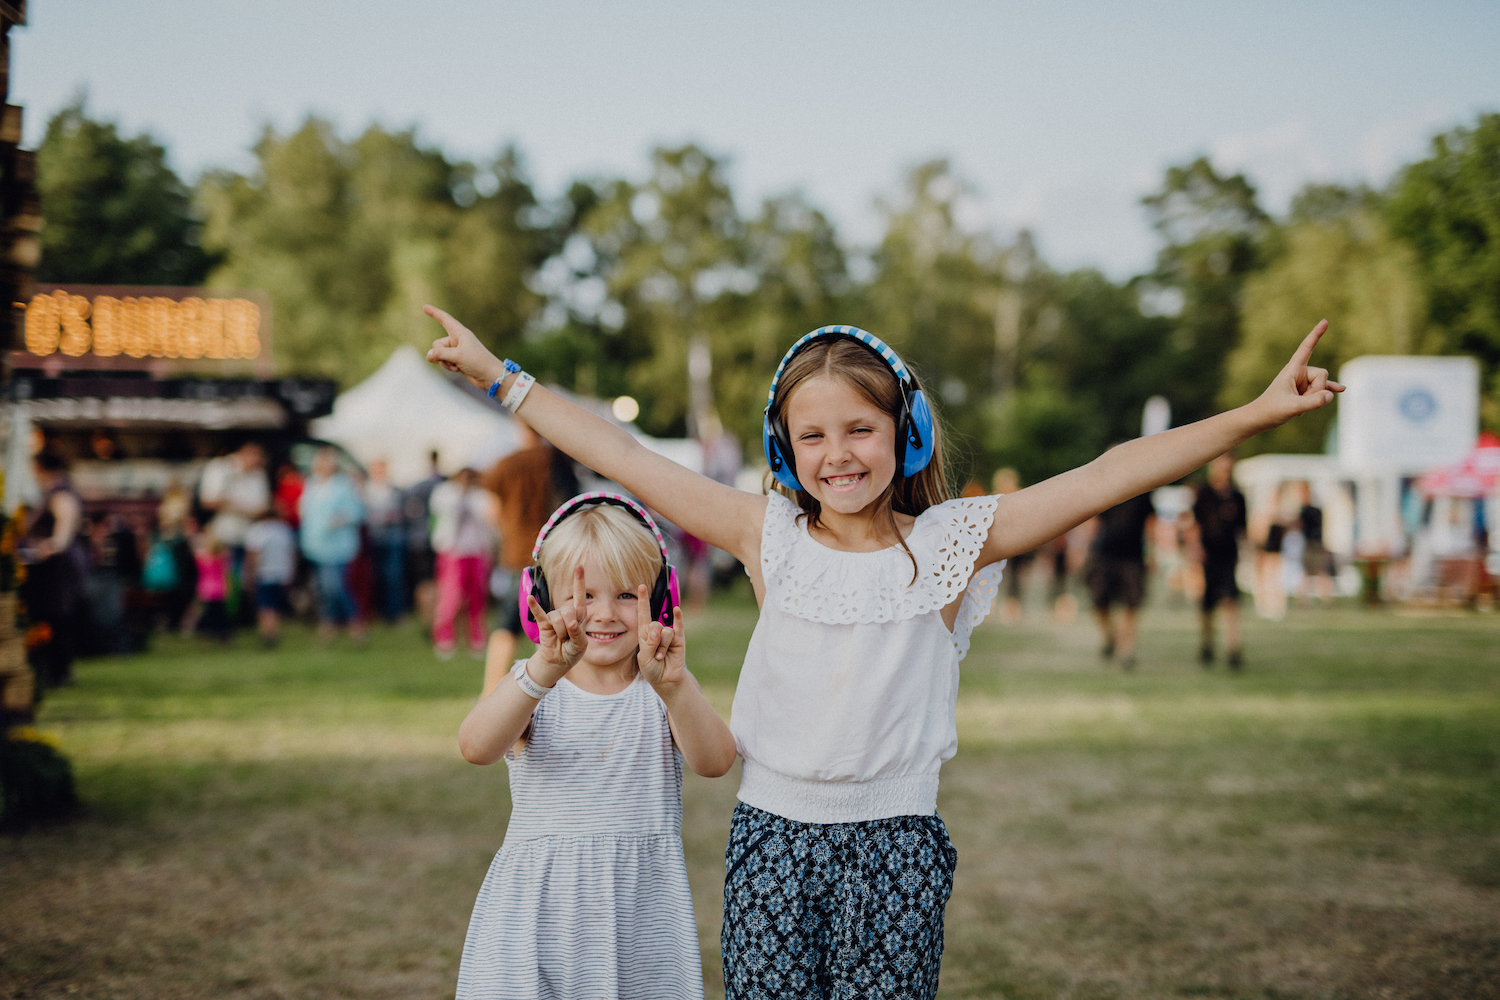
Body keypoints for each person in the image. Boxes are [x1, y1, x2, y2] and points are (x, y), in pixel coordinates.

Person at [427, 306, 1340, 997]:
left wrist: (1249, 419)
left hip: (897, 845)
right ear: (786, 449)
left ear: (904, 436)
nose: (838, 454)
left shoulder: (952, 542)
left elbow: (1109, 472)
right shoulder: (766, 535)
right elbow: (622, 456)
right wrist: (503, 381)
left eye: (859, 429)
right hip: (772, 841)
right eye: (813, 435)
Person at [454, 494, 736, 998]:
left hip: (640, 914)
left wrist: (676, 687)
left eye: (628, 595)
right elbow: (475, 746)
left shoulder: (663, 690)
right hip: (539, 913)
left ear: (662, 601)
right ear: (536, 599)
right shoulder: (536, 685)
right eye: (582, 596)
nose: (604, 614)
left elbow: (716, 762)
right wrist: (543, 670)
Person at [479, 425, 567, 692]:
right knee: (550, 628)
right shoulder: (554, 459)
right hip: (552, 554)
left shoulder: (504, 465)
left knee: (506, 625)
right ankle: (549, 690)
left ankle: (490, 690)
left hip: (516, 553)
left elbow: (490, 512)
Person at [21, 454, 87, 686]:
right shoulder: (59, 488)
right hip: (59, 563)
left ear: (40, 467)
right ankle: (58, 670)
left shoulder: (59, 490)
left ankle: (59, 672)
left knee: (56, 616)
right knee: (57, 617)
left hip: (57, 565)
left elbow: (65, 522)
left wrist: (54, 545)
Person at [1084, 474, 1157, 670]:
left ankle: (1126, 651)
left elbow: (1150, 523)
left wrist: (1151, 553)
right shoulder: (1104, 492)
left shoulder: (1142, 492)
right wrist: (1085, 550)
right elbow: (1093, 521)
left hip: (1133, 557)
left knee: (1131, 604)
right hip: (1104, 555)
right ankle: (1110, 637)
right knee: (1099, 601)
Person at [298, 447, 366, 645]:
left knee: (336, 586)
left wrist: (340, 518)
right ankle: (329, 625)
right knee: (323, 590)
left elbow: (357, 512)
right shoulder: (311, 485)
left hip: (337, 546)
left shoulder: (343, 485)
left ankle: (355, 623)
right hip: (315, 545)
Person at [198, 442, 270, 626]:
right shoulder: (221, 469)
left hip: (246, 536)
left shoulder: (258, 475)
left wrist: (232, 505)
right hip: (220, 536)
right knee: (217, 583)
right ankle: (216, 623)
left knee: (240, 582)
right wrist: (244, 508)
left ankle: (235, 621)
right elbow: (208, 501)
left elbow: (262, 508)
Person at [429, 465, 496, 659]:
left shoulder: (482, 495)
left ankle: (477, 639)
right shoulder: (444, 493)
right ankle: (444, 638)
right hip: (453, 551)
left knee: (477, 597)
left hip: (477, 550)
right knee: (451, 597)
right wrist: (461, 496)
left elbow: (488, 519)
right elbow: (442, 516)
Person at [1193, 453, 1249, 669]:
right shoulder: (1204, 493)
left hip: (1229, 554)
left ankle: (1233, 648)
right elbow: (1195, 523)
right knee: (1208, 603)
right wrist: (1195, 548)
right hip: (1209, 554)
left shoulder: (1237, 496)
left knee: (1230, 600)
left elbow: (1243, 528)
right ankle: (1206, 643)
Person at [244, 501, 298, 648]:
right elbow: (292, 554)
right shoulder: (285, 531)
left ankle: (267, 635)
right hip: (281, 573)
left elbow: (253, 555)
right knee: (274, 606)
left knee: (265, 607)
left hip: (264, 573)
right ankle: (274, 632)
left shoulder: (257, 531)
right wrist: (291, 572)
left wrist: (249, 575)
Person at [362, 458, 406, 624]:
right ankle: (376, 611)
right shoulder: (365, 490)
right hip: (373, 539)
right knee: (375, 576)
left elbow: (401, 513)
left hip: (392, 539)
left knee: (393, 576)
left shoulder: (394, 490)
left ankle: (394, 614)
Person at [403, 450, 444, 624]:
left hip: (421, 540)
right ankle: (434, 619)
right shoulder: (442, 484)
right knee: (435, 582)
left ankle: (428, 619)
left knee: (425, 582)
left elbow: (409, 513)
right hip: (437, 540)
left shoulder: (417, 486)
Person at [990, 468, 1034, 623]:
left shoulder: (1018, 495)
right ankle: (994, 605)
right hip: (999, 543)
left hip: (1016, 544)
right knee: (995, 575)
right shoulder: (995, 497)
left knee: (1014, 578)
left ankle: (1013, 607)